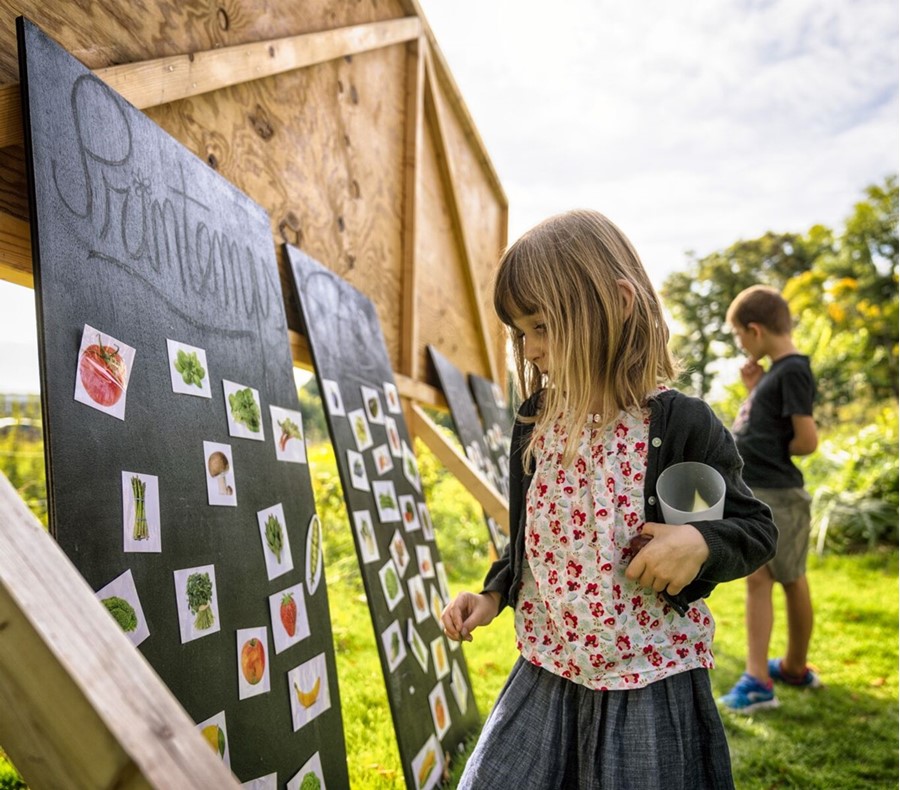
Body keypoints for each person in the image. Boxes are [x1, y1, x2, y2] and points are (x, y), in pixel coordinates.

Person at [440, 209, 777, 789]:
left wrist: (697, 542)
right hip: (548, 671)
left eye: (542, 326)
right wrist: (495, 592)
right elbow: (534, 532)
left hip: (648, 678)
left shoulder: (680, 425)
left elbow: (753, 528)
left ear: (618, 303)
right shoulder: (537, 423)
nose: (530, 347)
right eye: (520, 332)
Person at [719, 285, 820, 713]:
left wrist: (779, 449)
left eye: (740, 337)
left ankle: (764, 678)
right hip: (762, 490)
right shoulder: (775, 374)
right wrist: (755, 388)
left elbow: (806, 439)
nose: (741, 345)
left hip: (777, 492)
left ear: (755, 330)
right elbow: (762, 426)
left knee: (777, 579)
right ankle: (788, 668)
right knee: (776, 577)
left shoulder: (793, 370)